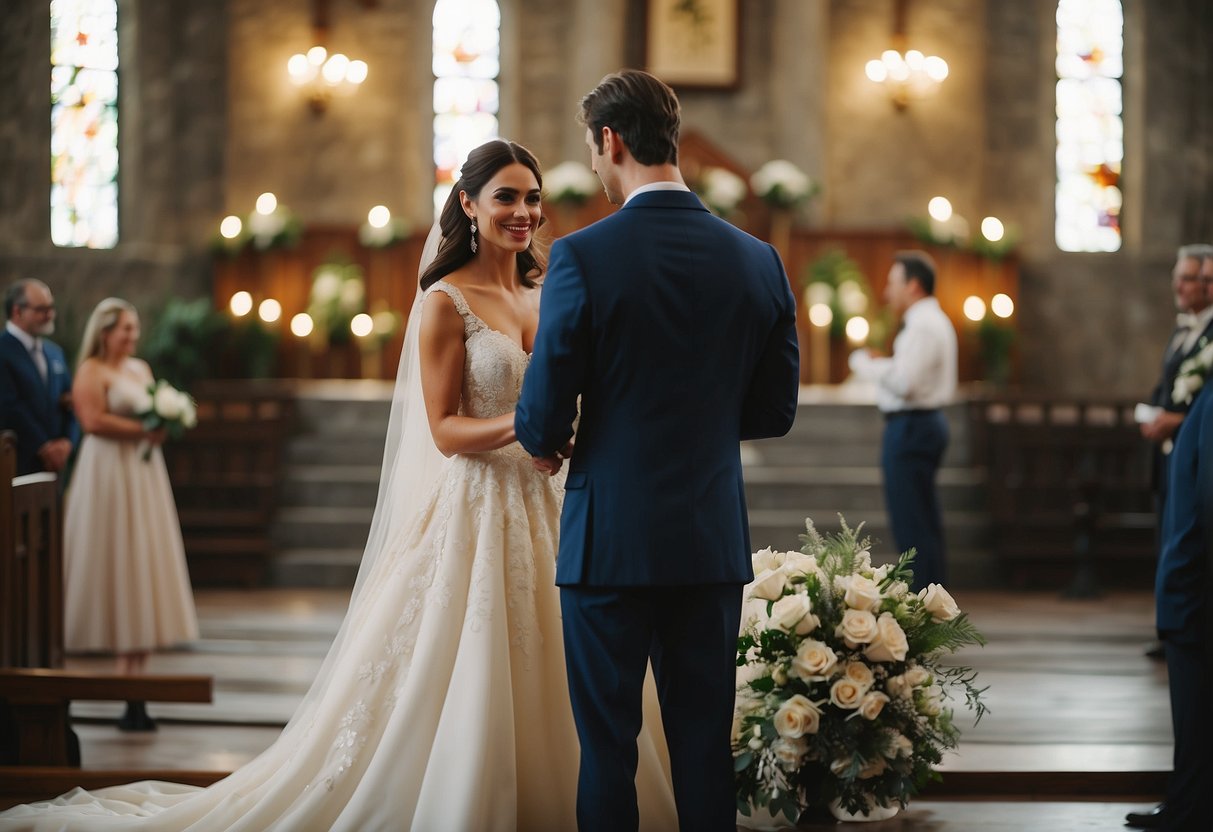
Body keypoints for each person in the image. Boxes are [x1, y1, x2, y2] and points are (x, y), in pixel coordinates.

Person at [0, 140, 677, 831]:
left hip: (549, 508)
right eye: (505, 196)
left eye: (532, 198)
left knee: (568, 670)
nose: (523, 212)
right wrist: (525, 428)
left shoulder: (547, 291)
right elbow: (445, 430)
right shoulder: (446, 302)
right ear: (467, 205)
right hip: (476, 508)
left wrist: (564, 433)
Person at [515, 69, 801, 832]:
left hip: (609, 540)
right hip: (707, 540)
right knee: (704, 747)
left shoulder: (582, 257)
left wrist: (550, 442)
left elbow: (542, 412)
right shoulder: (758, 260)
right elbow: (774, 412)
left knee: (608, 747)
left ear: (611, 141)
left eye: (594, 151)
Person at [64, 298, 199, 731]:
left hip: (142, 474)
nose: (132, 336)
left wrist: (163, 423)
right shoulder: (91, 371)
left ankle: (136, 687)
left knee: (142, 561)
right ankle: (123, 691)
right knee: (116, 561)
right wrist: (146, 428)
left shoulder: (140, 369)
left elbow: (154, 408)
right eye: (125, 329)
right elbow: (92, 421)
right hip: (106, 473)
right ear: (104, 333)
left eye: (135, 328)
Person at [1124, 338, 1213, 831]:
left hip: (1194, 587)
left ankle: (1189, 809)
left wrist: (1181, 581)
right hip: (1186, 584)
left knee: (1197, 714)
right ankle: (1185, 803)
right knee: (1192, 719)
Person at [848, 251, 957, 592]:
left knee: (912, 525)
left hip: (913, 427)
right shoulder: (926, 321)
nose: (886, 291)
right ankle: (930, 599)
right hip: (918, 425)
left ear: (913, 285)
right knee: (920, 521)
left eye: (892, 283)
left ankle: (922, 600)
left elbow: (904, 382)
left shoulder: (924, 323)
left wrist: (863, 363)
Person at [1139, 244, 1213, 659]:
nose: (1180, 286)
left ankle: (1185, 627)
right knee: (1167, 539)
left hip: (1196, 451)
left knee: (1186, 541)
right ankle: (1170, 626)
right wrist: (1153, 412)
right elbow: (1167, 384)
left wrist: (1176, 420)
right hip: (1169, 450)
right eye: (1181, 277)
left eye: (1190, 278)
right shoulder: (1182, 328)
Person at [0, 279, 76, 477]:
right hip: (18, 461)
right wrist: (43, 446)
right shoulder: (3, 350)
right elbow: (9, 405)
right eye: (41, 309)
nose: (50, 314)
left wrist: (67, 442)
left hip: (57, 464)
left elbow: (71, 401)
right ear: (17, 311)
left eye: (51, 307)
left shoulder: (55, 353)